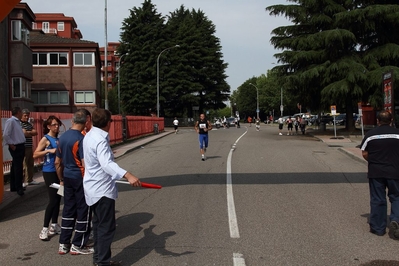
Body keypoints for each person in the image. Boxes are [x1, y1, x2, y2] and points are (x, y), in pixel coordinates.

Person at [83, 108, 141, 266]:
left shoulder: (89, 135)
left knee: (98, 226)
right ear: (108, 123)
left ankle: (99, 260)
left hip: (92, 188)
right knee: (105, 229)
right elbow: (107, 164)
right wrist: (128, 175)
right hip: (101, 190)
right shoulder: (100, 139)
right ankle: (103, 262)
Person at [55, 110, 93, 255]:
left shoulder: (62, 137)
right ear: (85, 122)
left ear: (72, 121)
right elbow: (84, 163)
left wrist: (62, 179)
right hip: (80, 177)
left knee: (68, 209)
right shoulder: (82, 139)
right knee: (84, 209)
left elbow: (58, 162)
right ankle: (78, 244)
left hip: (67, 175)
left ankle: (63, 243)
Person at [360, 110, 399, 238]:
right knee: (396, 197)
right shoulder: (397, 134)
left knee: (377, 199)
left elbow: (364, 153)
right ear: (391, 120)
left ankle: (378, 228)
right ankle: (396, 221)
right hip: (395, 171)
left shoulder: (371, 135)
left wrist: (374, 161)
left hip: (376, 172)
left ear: (377, 121)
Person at [33, 116, 63, 241]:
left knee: (58, 198)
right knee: (52, 200)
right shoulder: (46, 139)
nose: (57, 127)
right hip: (49, 172)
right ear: (48, 126)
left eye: (58, 125)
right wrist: (48, 151)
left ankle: (54, 225)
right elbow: (35, 154)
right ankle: (44, 229)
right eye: (54, 125)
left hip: (59, 172)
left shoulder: (58, 139)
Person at [3, 107, 26, 196]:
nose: (22, 114)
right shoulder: (11, 121)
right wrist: (11, 145)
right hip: (16, 146)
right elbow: (6, 134)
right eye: (21, 112)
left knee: (15, 166)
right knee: (18, 167)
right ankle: (18, 187)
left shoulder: (17, 121)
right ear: (18, 112)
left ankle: (14, 186)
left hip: (20, 145)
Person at [21, 109, 39, 187]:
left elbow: (35, 132)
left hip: (29, 146)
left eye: (28, 115)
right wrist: (29, 133)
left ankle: (30, 179)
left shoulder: (28, 124)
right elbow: (23, 133)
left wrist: (28, 132)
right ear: (21, 115)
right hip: (23, 146)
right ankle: (23, 181)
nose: (27, 117)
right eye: (25, 115)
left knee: (30, 163)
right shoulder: (19, 123)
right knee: (24, 164)